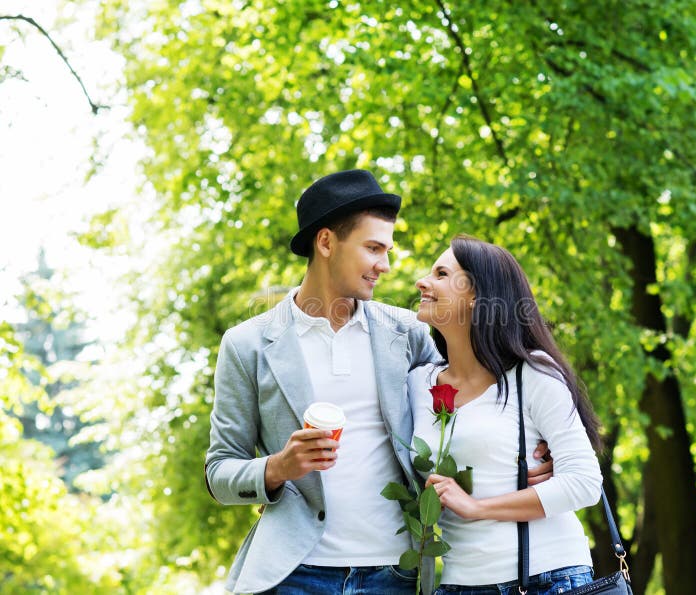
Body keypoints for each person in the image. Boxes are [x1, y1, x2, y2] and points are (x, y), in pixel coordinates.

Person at [205, 171, 553, 595]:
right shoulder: (249, 345)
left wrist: (536, 442)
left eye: (387, 250)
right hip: (296, 573)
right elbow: (220, 471)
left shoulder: (406, 333)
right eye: (373, 249)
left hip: (397, 573)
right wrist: (279, 468)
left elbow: (465, 400)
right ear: (327, 242)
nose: (385, 266)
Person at [408, 234, 603, 595]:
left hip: (546, 577)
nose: (422, 281)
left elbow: (584, 483)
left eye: (440, 273)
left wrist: (476, 507)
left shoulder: (532, 374)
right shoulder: (418, 383)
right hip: (458, 584)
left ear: (478, 295)